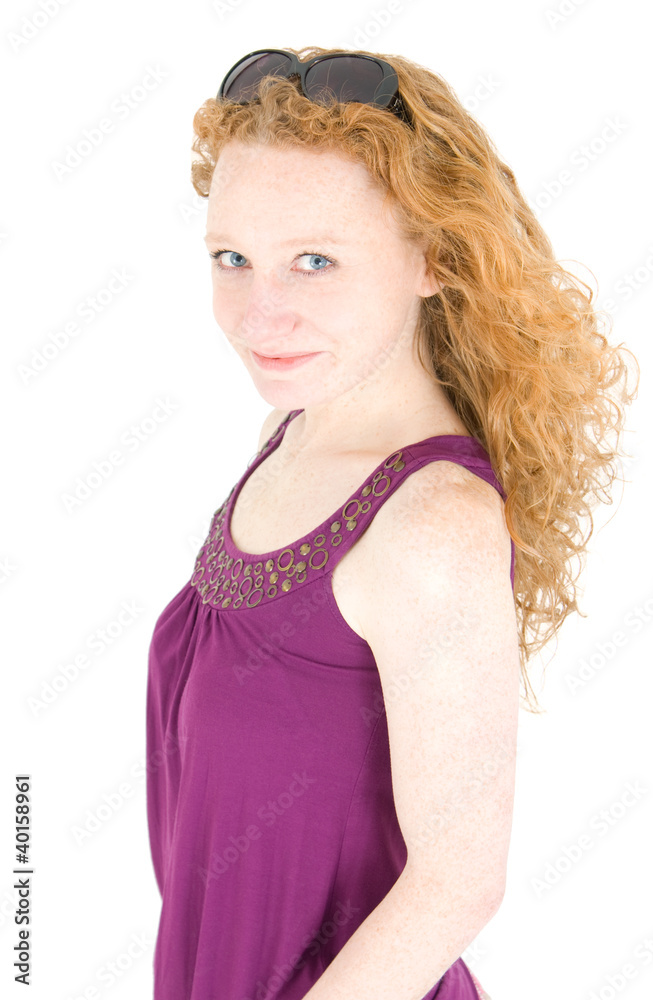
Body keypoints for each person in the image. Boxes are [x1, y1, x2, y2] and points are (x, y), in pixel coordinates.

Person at [145, 46, 638, 1000]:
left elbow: (456, 884)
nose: (260, 314)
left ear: (434, 258)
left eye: (316, 261)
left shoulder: (430, 525)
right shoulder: (285, 434)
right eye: (233, 258)